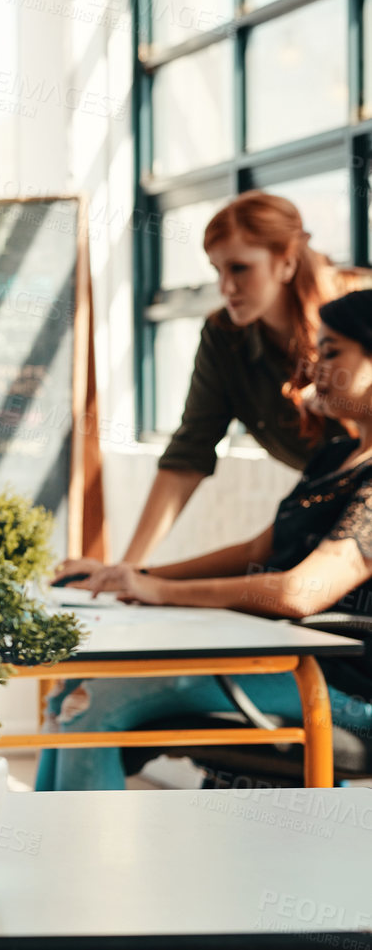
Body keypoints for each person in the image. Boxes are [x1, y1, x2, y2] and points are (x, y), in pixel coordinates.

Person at [38, 289, 372, 791]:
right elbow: (256, 551)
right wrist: (136, 577)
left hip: (340, 691)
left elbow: (300, 592)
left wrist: (161, 592)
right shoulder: (336, 456)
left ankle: (80, 869)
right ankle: (51, 862)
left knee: (96, 704)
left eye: (332, 352)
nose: (314, 367)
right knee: (69, 694)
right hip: (285, 659)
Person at [62, 192, 341, 578]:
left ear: (287, 262)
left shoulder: (357, 312)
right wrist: (127, 570)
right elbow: (190, 451)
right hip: (324, 525)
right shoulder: (225, 336)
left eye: (240, 268)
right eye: (217, 270)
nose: (225, 287)